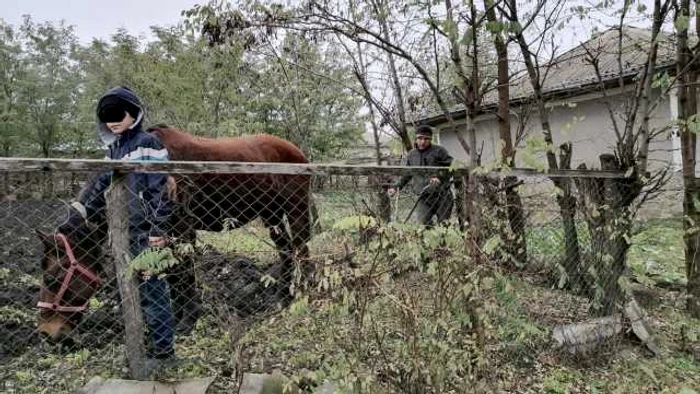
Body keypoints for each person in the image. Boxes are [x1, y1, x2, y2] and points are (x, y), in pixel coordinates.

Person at [77, 86, 176, 364]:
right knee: (129, 291)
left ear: (134, 112)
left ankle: (164, 353)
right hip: (123, 232)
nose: (113, 121)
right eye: (107, 116)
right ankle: (141, 346)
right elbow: (102, 184)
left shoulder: (149, 144)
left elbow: (160, 190)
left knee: (153, 291)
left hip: (146, 233)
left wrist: (158, 229)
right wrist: (84, 211)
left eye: (118, 113)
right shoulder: (114, 148)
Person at [388, 125, 455, 228]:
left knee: (444, 227)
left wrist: (439, 177)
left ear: (431, 139)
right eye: (420, 138)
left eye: (426, 139)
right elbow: (407, 174)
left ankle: (444, 244)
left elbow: (451, 167)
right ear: (416, 139)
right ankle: (429, 244)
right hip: (423, 197)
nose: (423, 142)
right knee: (423, 225)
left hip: (442, 196)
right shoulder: (411, 155)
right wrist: (396, 187)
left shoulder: (439, 151)